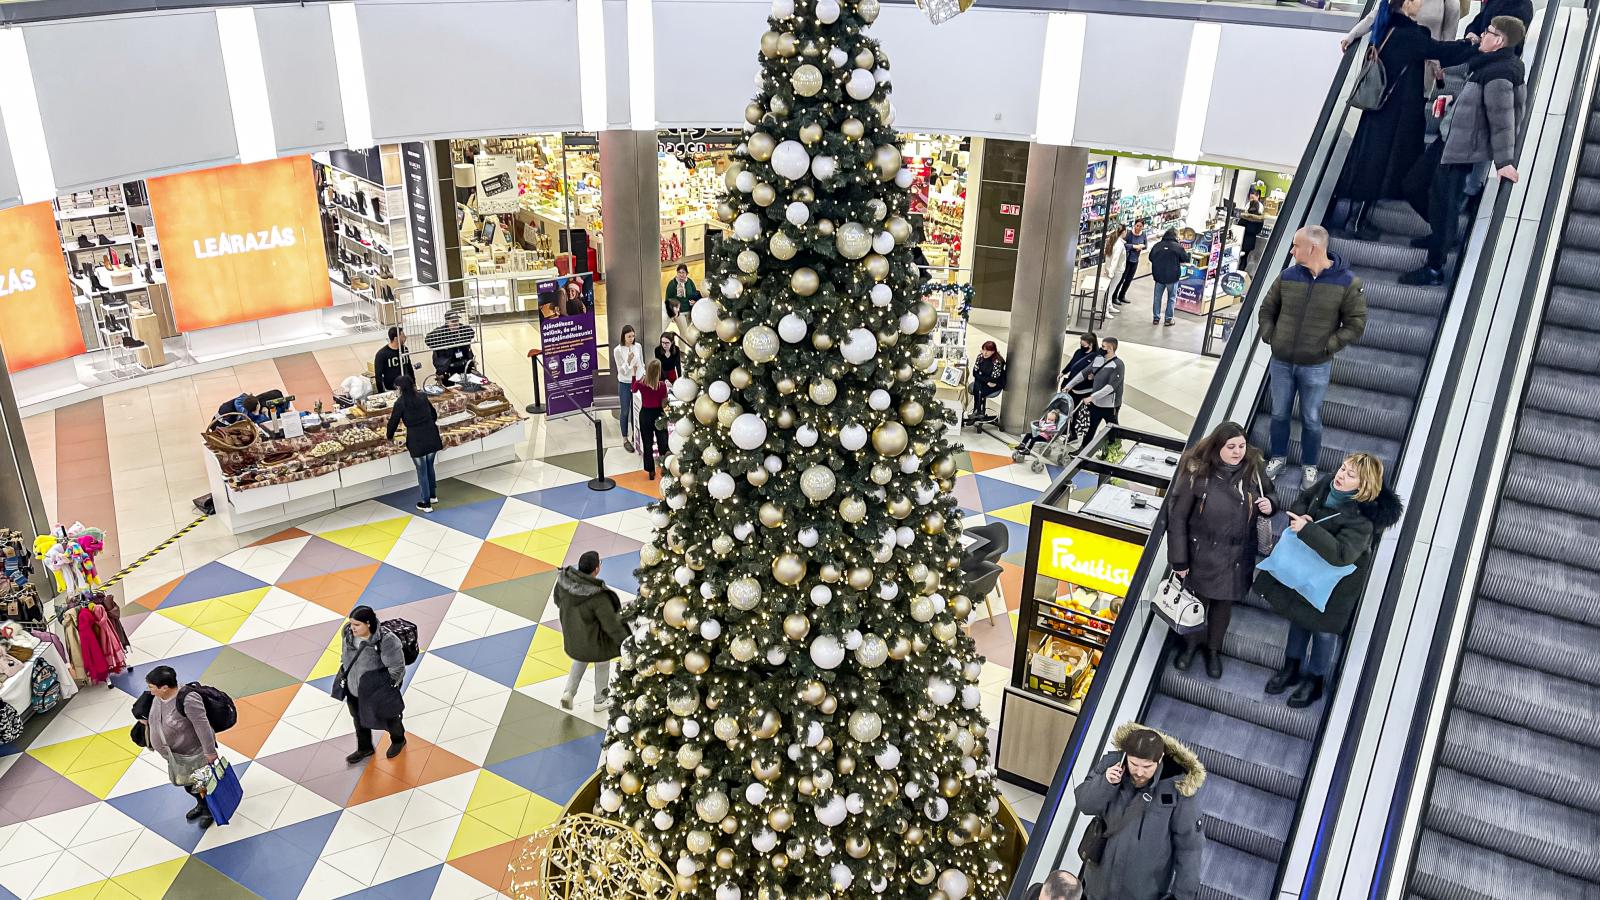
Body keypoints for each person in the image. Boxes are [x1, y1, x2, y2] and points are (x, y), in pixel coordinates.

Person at [1257, 453, 1403, 708]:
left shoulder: (1363, 520)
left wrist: (1308, 530)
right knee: (1299, 618)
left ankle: (1315, 682)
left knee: (1323, 632)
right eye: (1342, 468)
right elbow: (1302, 500)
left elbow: (1342, 555)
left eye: (1350, 474)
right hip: (1307, 569)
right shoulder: (1326, 484)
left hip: (1336, 585)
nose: (1341, 475)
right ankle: (1291, 668)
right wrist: (1303, 516)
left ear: (1363, 485)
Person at [1333, 0, 1477, 237]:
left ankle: (1357, 219)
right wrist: (1472, 45)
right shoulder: (1407, 35)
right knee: (1379, 167)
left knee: (1374, 164)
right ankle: (1356, 221)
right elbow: (1442, 51)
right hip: (1396, 114)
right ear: (1407, 3)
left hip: (1381, 111)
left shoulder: (1388, 27)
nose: (1421, 3)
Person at [1400, 16, 1526, 286]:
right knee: (1413, 185)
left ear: (1499, 41)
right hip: (1449, 139)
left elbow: (1503, 119)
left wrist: (1504, 161)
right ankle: (1442, 234)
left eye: (1488, 32)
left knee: (1444, 204)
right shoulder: (1486, 65)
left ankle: (1434, 268)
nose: (1483, 35)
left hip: (1462, 149)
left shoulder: (1500, 73)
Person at [1163, 422, 1276, 678]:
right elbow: (1177, 518)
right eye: (1231, 447)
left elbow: (1271, 494)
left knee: (1223, 607)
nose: (1238, 452)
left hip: (1237, 555)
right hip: (1203, 553)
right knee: (1197, 603)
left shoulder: (1254, 469)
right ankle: (1191, 647)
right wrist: (1179, 561)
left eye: (1241, 446)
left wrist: (1271, 504)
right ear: (1218, 447)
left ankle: (1213, 650)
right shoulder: (1198, 472)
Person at [1257, 226, 1367, 485]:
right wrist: (1270, 335)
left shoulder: (1348, 283)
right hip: (1282, 361)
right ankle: (1279, 458)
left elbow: (1356, 323)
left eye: (1296, 245)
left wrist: (1328, 346)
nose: (1292, 250)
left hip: (1316, 365)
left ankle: (1310, 466)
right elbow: (1267, 308)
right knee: (1279, 413)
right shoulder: (1288, 276)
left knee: (1312, 418)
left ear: (1313, 248)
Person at [1074, 723, 1204, 900]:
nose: (1139, 772)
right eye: (1134, 764)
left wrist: (1182, 896)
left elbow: (1190, 848)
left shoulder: (1178, 789)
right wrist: (1105, 782)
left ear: (1160, 760)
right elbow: (1084, 804)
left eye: (1147, 766)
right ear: (1126, 756)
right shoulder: (1111, 766)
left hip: (1142, 892)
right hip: (1097, 887)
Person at [141, 666, 219, 829]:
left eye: (151, 687)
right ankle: (201, 805)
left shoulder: (188, 700)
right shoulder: (159, 697)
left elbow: (202, 727)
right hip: (177, 756)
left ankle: (209, 810)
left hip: (194, 754)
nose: (150, 690)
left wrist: (210, 752)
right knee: (189, 785)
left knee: (201, 784)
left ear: (164, 687)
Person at [554, 551, 627, 712]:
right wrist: (625, 641)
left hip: (575, 635)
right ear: (596, 569)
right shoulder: (598, 596)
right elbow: (611, 624)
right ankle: (600, 700)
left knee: (580, 659)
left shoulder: (564, 581)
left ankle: (569, 692)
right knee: (602, 663)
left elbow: (557, 600)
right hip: (595, 638)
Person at [338, 606, 407, 763]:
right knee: (358, 717)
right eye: (351, 624)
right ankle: (365, 748)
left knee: (389, 717)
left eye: (357, 625)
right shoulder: (348, 633)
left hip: (377, 689)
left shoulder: (387, 640)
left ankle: (398, 740)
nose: (352, 628)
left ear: (368, 623)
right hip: (354, 686)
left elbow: (397, 668)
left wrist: (385, 688)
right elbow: (345, 655)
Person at [386, 375, 443, 513]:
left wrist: (389, 436)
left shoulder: (400, 403)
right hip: (431, 434)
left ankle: (426, 503)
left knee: (421, 470)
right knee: (429, 466)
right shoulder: (422, 396)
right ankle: (433, 495)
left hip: (416, 439)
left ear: (400, 388)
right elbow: (433, 414)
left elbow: (393, 421)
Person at [1060, 336, 1126, 448]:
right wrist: (1069, 385)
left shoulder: (1118, 365)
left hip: (1110, 405)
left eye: (1103, 346)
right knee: (1091, 428)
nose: (1101, 348)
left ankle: (1112, 449)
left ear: (1110, 348)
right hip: (1096, 403)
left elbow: (1110, 387)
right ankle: (1083, 450)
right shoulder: (1098, 359)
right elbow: (1084, 373)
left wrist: (1091, 397)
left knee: (1113, 429)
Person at [1053, 332, 1105, 446]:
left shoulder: (1096, 357)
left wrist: (1093, 376)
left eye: (1083, 343)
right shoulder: (1078, 352)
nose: (1081, 345)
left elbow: (1095, 372)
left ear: (1090, 344)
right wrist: (1063, 373)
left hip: (1084, 389)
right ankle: (1069, 431)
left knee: (1076, 412)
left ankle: (1074, 433)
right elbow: (1072, 364)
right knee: (1067, 410)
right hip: (1072, 386)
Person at [632, 360, 669, 479]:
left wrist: (634, 374)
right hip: (659, 414)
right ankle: (665, 466)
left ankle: (650, 470)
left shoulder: (641, 383)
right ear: (658, 372)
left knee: (647, 443)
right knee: (662, 442)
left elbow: (633, 389)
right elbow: (664, 403)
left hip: (645, 415)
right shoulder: (662, 386)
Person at [614, 325, 646, 453]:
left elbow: (642, 362)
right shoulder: (618, 350)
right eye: (629, 337)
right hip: (625, 383)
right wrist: (628, 361)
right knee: (625, 411)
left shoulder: (637, 346)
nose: (631, 339)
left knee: (636, 410)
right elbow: (621, 370)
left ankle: (636, 435)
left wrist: (643, 374)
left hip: (638, 382)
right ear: (623, 336)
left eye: (633, 336)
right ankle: (625, 438)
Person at [1147, 229, 1186, 327]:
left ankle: (1156, 317)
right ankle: (1168, 319)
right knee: (1171, 298)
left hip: (1159, 276)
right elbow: (1185, 259)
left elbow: (1151, 257)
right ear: (1175, 236)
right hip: (1172, 277)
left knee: (1157, 298)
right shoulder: (1178, 247)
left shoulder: (1157, 246)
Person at [1463, 0, 1534, 53]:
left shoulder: (1521, 6)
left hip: (1491, 58)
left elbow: (1506, 44)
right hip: (1477, 48)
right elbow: (1478, 21)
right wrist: (1471, 32)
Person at [425, 311, 476, 379]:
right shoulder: (441, 332)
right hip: (448, 368)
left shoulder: (463, 329)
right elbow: (428, 340)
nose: (456, 324)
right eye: (453, 321)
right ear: (447, 322)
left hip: (464, 366)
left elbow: (471, 333)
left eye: (457, 321)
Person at [967, 341, 1007, 426]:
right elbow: (974, 372)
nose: (985, 353)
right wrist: (986, 380)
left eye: (988, 351)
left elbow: (994, 379)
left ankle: (977, 411)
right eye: (983, 350)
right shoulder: (980, 357)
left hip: (995, 385)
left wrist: (982, 377)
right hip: (985, 383)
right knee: (978, 384)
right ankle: (978, 411)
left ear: (993, 351)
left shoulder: (997, 361)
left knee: (978, 386)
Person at [1111, 220, 1148, 305]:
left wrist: (1141, 247)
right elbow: (1123, 244)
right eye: (1137, 226)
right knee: (1121, 279)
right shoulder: (1129, 234)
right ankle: (1114, 296)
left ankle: (1122, 295)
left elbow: (1146, 245)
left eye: (1140, 226)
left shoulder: (1143, 234)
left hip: (1135, 260)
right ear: (1134, 225)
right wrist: (1134, 246)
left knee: (1129, 279)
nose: (1138, 228)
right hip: (1127, 259)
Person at [1099, 225, 1127, 317]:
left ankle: (1109, 306)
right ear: (1123, 232)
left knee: (1110, 290)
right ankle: (1105, 310)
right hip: (1116, 271)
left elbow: (1108, 257)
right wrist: (1111, 272)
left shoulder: (1112, 241)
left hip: (1110, 270)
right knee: (1110, 291)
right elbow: (1115, 259)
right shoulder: (1119, 245)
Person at [374, 326, 411, 392]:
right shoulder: (382, 354)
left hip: (406, 386)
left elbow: (409, 367)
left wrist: (413, 383)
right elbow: (378, 376)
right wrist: (381, 392)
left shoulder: (404, 349)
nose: (405, 338)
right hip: (391, 389)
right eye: (403, 336)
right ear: (396, 339)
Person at [1237, 189, 1267, 271]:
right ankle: (1241, 271)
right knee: (1245, 258)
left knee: (1237, 257)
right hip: (1251, 241)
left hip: (1242, 239)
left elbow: (1239, 227)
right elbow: (1258, 231)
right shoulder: (1260, 219)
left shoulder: (1245, 217)